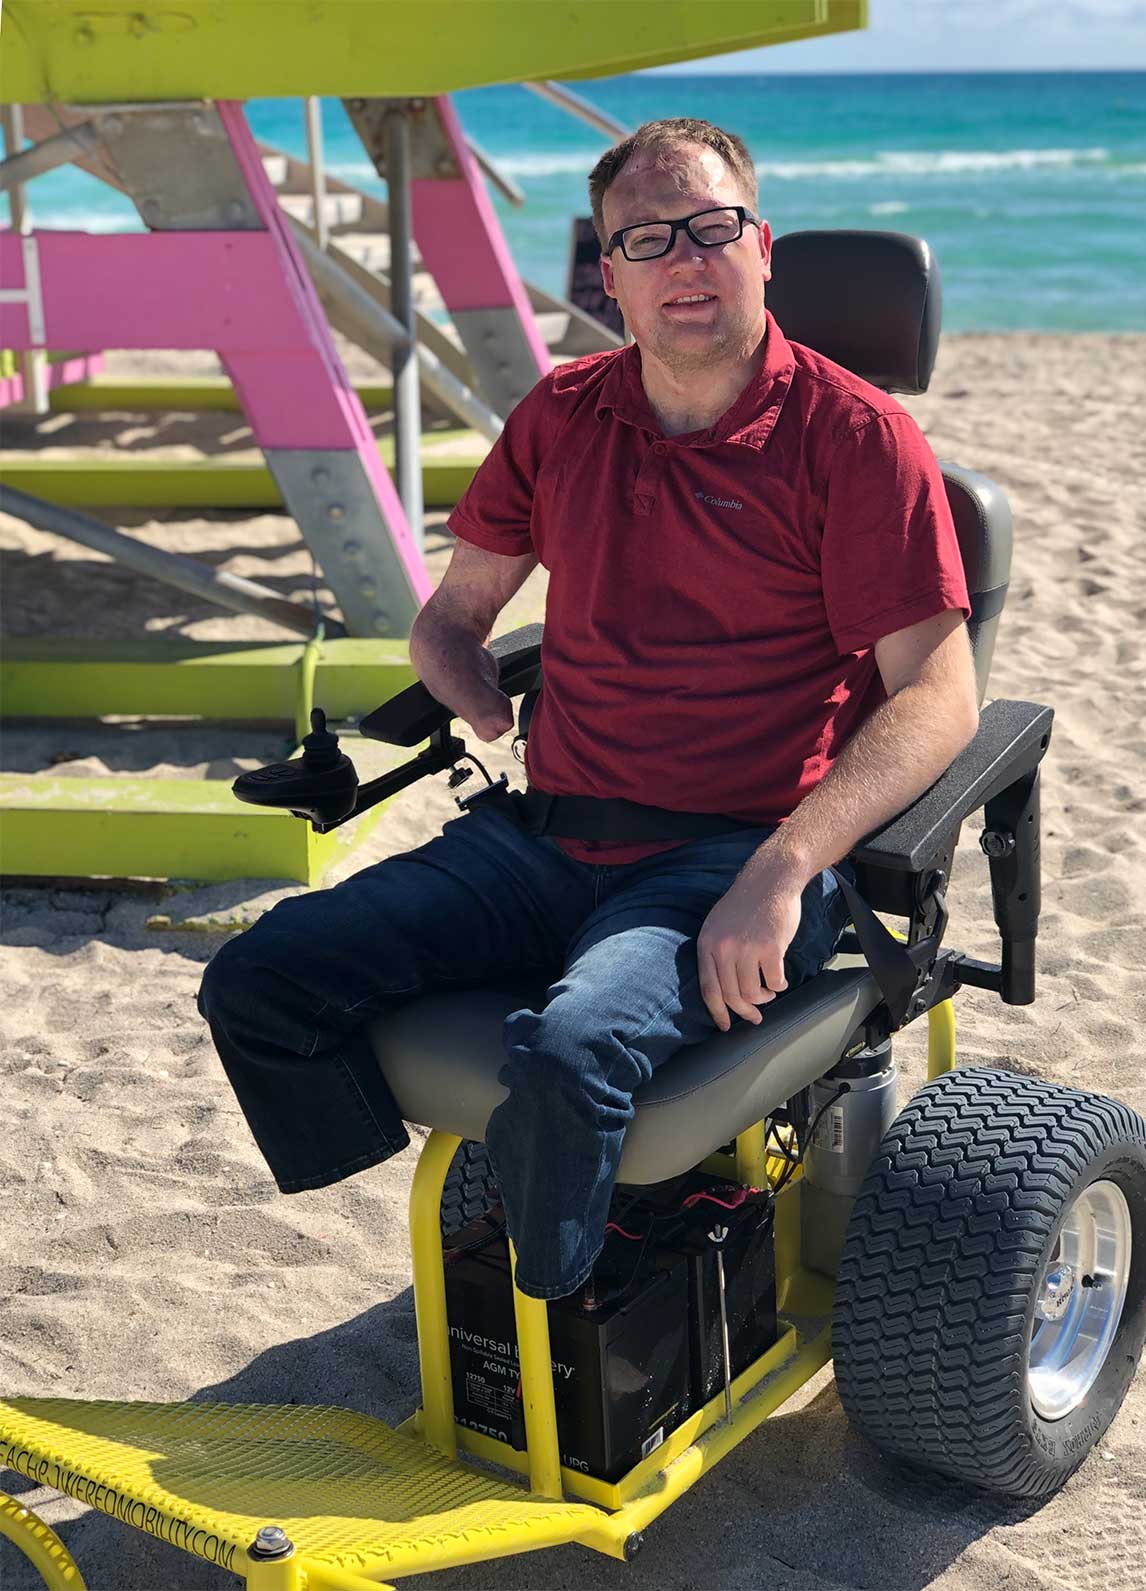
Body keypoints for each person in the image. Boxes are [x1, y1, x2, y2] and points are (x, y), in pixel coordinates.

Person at [198, 118, 978, 1302]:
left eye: (712, 230)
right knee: (259, 978)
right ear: (606, 276)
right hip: (541, 839)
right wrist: (462, 672)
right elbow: (452, 613)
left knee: (572, 1052)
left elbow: (941, 694)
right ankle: (499, 1220)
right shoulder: (562, 416)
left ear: (762, 248)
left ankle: (551, 1303)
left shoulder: (855, 438)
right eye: (646, 240)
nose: (685, 262)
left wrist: (778, 876)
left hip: (728, 857)